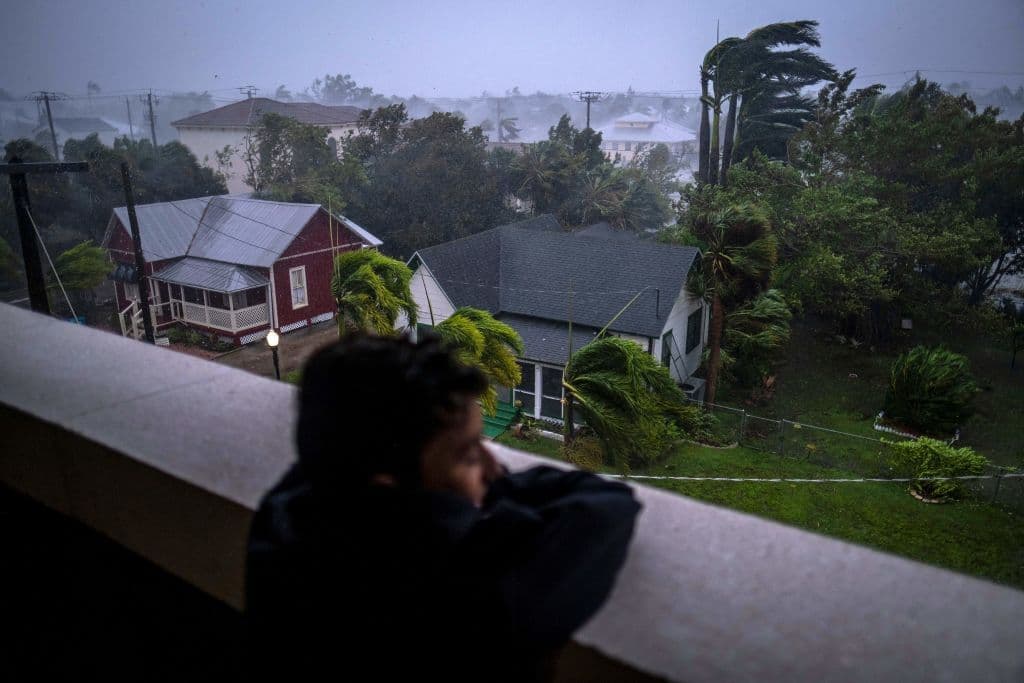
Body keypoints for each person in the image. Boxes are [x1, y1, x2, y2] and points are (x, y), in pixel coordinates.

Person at [245, 334, 641, 681]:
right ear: (388, 481)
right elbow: (607, 506)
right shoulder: (477, 583)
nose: (490, 465)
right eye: (467, 454)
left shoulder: (284, 517)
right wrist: (498, 489)